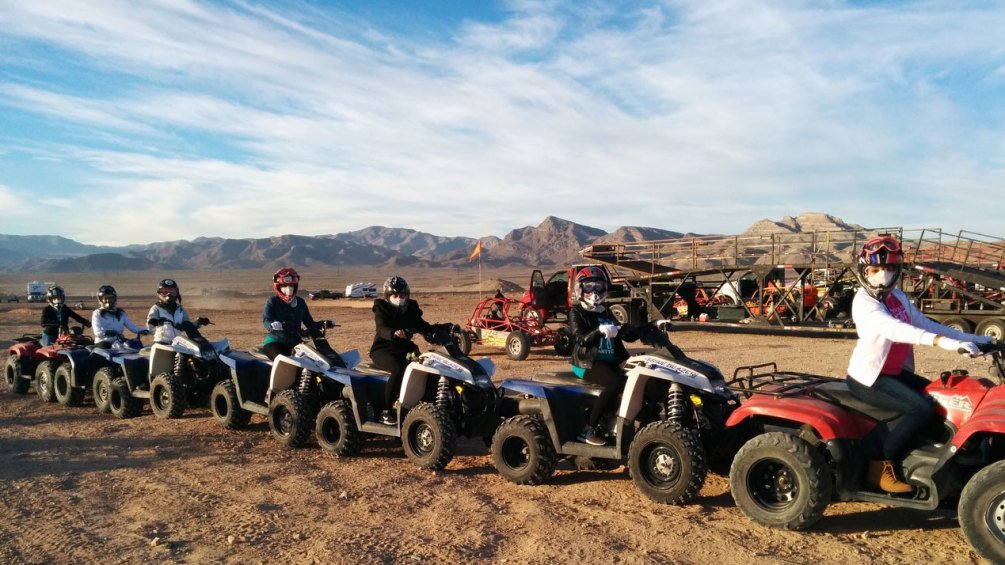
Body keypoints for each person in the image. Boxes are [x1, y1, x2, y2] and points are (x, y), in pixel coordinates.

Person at [846, 234, 992, 493]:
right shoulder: (864, 301)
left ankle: (922, 455)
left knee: (940, 398)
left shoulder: (896, 297)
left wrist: (977, 339)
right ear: (864, 270)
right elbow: (894, 329)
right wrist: (941, 343)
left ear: (897, 270)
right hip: (870, 378)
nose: (882, 274)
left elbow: (924, 324)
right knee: (919, 409)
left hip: (894, 372)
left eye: (889, 268)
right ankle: (879, 465)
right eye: (875, 269)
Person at [568, 266, 644, 446]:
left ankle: (618, 422)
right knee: (613, 382)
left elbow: (625, 334)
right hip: (587, 362)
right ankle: (588, 429)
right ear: (580, 288)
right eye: (589, 286)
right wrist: (599, 331)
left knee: (639, 378)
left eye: (598, 286)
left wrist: (649, 327)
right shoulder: (576, 312)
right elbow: (580, 339)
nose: (594, 291)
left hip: (612, 360)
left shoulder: (606, 311)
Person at [370, 275, 432, 425]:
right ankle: (385, 411)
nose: (399, 299)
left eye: (402, 295)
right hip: (383, 349)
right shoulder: (381, 308)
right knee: (397, 368)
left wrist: (447, 328)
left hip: (404, 348)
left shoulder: (411, 309)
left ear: (407, 295)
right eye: (395, 296)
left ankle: (418, 404)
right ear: (388, 297)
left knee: (425, 366)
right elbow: (381, 328)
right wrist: (393, 332)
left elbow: (424, 326)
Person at [262, 267, 328, 360]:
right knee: (284, 361)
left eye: (292, 286)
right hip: (275, 342)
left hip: (296, 343)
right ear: (278, 287)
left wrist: (324, 323)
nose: (289, 289)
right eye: (284, 286)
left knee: (312, 362)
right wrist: (272, 325)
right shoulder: (272, 301)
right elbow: (266, 320)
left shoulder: (300, 302)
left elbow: (310, 323)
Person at [146, 279, 210, 345]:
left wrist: (198, 322)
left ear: (177, 293)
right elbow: (150, 326)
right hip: (162, 343)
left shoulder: (180, 309)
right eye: (165, 292)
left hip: (178, 344)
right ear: (159, 293)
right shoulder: (156, 308)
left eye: (172, 292)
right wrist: (153, 322)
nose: (169, 294)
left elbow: (187, 325)